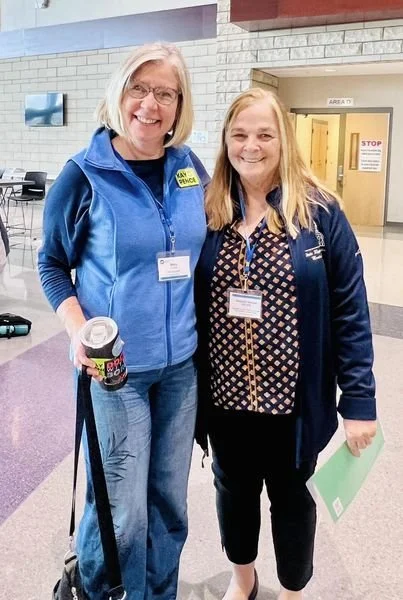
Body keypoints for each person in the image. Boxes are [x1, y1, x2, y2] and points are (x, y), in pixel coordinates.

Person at [38, 42, 209, 600]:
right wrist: (77, 330)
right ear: (120, 93)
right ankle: (98, 591)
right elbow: (51, 263)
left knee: (169, 502)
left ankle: (158, 595)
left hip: (180, 368)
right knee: (121, 510)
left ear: (179, 104)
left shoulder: (189, 167)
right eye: (140, 88)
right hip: (115, 371)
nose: (150, 104)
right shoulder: (84, 174)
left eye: (165, 93)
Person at [194, 87, 377, 600]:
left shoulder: (319, 212)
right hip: (225, 399)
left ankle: (293, 590)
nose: (251, 146)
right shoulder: (208, 209)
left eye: (264, 135)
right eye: (239, 135)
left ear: (284, 141)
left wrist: (359, 401)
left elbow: (350, 311)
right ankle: (243, 578)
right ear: (226, 142)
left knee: (292, 500)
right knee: (232, 493)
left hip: (293, 405)